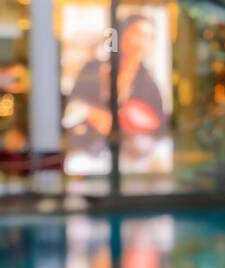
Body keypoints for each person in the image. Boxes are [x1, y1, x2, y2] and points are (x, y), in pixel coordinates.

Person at [63, 14, 165, 160]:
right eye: (137, 34)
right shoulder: (93, 69)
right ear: (122, 34)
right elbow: (71, 109)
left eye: (148, 37)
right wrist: (91, 113)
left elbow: (158, 131)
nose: (141, 43)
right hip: (88, 156)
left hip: (129, 161)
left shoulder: (149, 85)